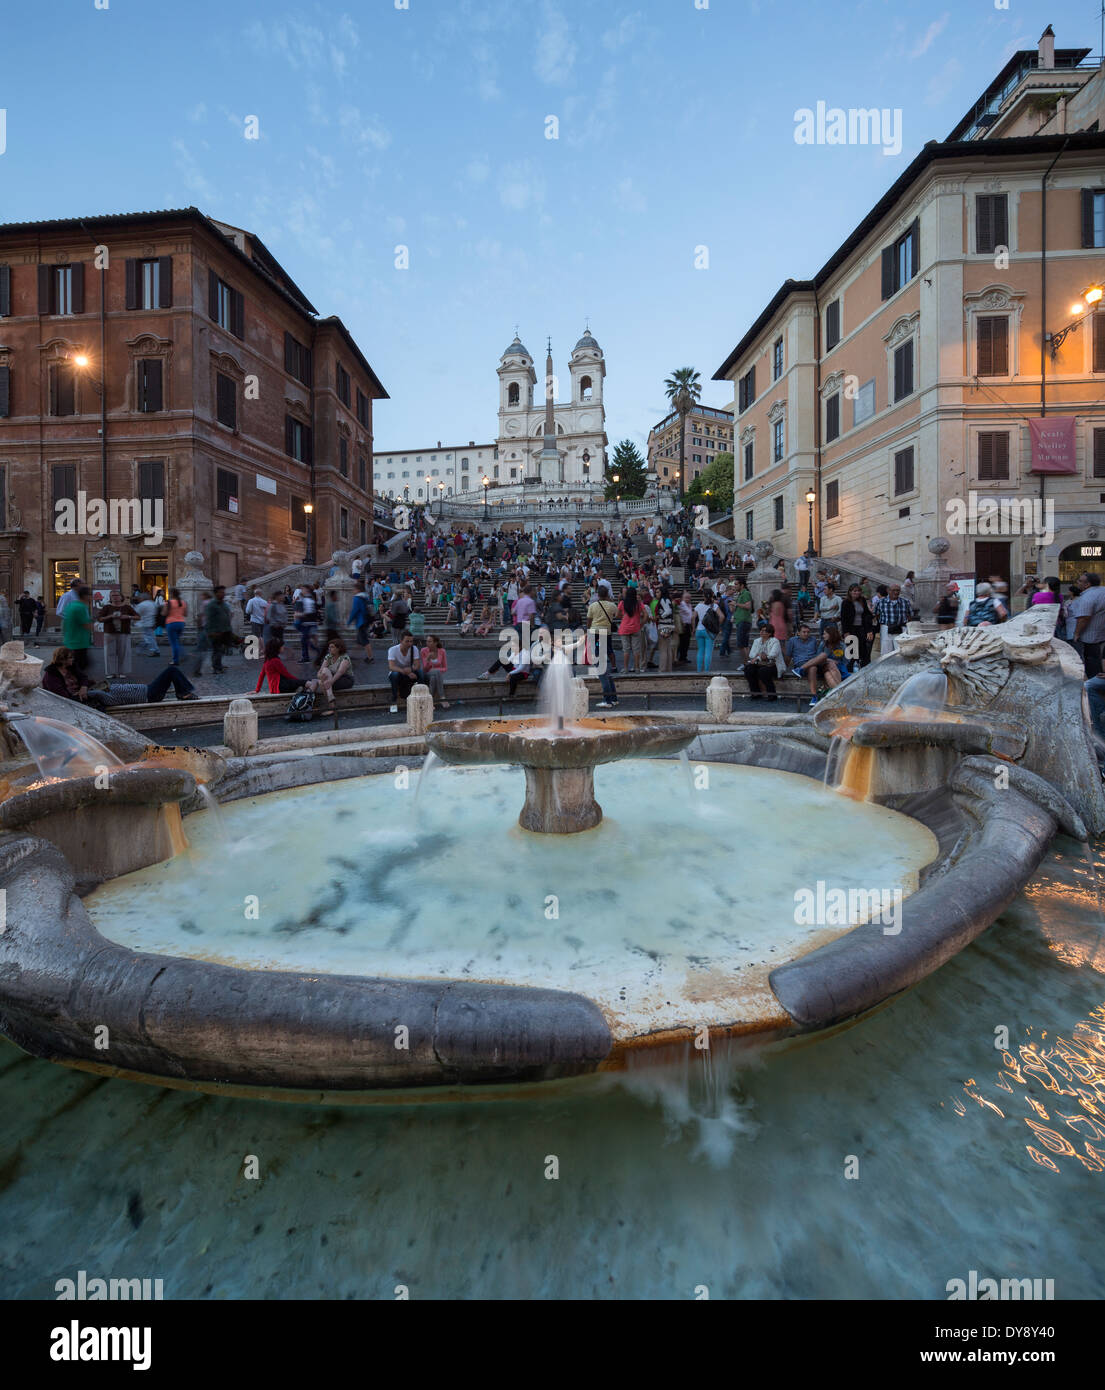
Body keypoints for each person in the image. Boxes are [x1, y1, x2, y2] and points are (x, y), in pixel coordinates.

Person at [586, 581, 620, 707]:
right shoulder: (612, 605)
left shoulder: (593, 606)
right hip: (607, 634)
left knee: (601, 667)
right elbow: (619, 615)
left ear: (597, 594)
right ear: (607, 594)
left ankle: (607, 700)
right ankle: (614, 697)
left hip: (596, 634)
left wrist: (588, 632)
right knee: (605, 666)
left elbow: (588, 621)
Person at [1069, 572, 1105, 678]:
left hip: (1091, 637)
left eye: (1080, 581)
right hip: (1101, 634)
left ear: (1087, 585)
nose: (1077, 582)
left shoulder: (1087, 597)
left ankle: (1095, 683)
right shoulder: (1102, 591)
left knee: (1092, 661)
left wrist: (1076, 633)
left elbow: (1084, 618)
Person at [97, 589, 139, 678]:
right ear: (110, 598)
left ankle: (122, 672)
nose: (115, 597)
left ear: (121, 597)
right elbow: (99, 619)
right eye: (113, 596)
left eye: (117, 595)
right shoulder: (106, 607)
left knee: (124, 653)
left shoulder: (127, 607)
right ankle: (111, 672)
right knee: (109, 653)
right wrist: (110, 616)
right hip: (110, 632)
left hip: (124, 632)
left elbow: (138, 617)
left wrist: (127, 616)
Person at [306, 638, 353, 711]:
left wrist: (331, 682)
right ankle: (331, 703)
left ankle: (331, 707)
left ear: (339, 648)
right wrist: (320, 676)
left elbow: (340, 672)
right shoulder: (328, 657)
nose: (329, 649)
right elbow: (320, 671)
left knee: (321, 683)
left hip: (345, 679)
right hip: (331, 678)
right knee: (324, 673)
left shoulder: (345, 657)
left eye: (332, 647)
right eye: (329, 647)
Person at [745, 621, 786, 700]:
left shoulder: (775, 641)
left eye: (764, 631)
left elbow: (772, 655)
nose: (761, 632)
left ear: (770, 633)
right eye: (761, 630)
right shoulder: (756, 641)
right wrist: (760, 656)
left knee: (763, 671)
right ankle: (755, 693)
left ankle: (772, 694)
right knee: (748, 669)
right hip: (760, 664)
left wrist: (758, 656)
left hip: (774, 665)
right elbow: (751, 655)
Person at [840, 584, 874, 668]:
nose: (857, 593)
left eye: (858, 591)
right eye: (855, 591)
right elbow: (843, 618)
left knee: (863, 649)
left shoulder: (862, 600)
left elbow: (866, 614)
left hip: (861, 628)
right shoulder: (846, 602)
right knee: (852, 650)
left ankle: (862, 666)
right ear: (850, 592)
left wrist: (869, 629)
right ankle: (851, 668)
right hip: (851, 629)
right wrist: (846, 632)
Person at [387, 631, 422, 713]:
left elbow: (417, 665)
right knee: (395, 675)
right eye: (407, 641)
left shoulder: (414, 648)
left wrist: (411, 670)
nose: (409, 643)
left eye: (411, 641)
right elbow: (391, 667)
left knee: (421, 673)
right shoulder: (392, 650)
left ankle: (420, 698)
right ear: (401, 641)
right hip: (398, 672)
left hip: (410, 671)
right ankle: (394, 700)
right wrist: (405, 672)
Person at [61, 585, 93, 672]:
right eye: (90, 595)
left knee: (74, 668)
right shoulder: (81, 607)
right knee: (79, 668)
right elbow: (86, 625)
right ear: (85, 596)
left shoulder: (71, 605)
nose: (92, 597)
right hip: (79, 643)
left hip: (70, 641)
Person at [873, 583, 913, 653]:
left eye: (898, 590)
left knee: (901, 651)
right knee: (886, 652)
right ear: (888, 591)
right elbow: (876, 614)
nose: (896, 592)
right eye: (893, 590)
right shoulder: (880, 602)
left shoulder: (905, 602)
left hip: (901, 628)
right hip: (886, 628)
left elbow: (910, 615)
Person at [203, 586, 233, 673]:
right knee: (217, 649)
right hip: (216, 631)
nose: (223, 594)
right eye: (221, 592)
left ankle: (218, 664)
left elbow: (227, 614)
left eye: (224, 592)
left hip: (225, 630)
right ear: (216, 593)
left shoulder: (224, 604)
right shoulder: (211, 605)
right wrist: (211, 631)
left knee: (221, 649)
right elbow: (208, 618)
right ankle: (216, 667)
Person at [617, 587, 644, 673]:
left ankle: (625, 668)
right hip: (636, 627)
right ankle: (637, 668)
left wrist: (623, 617)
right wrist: (641, 624)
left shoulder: (622, 603)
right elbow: (646, 615)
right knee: (636, 650)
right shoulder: (638, 604)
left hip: (624, 628)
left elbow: (617, 615)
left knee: (626, 649)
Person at [693, 591, 721, 672]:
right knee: (708, 651)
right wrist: (717, 626)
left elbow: (693, 617)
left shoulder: (699, 605)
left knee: (700, 650)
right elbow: (722, 616)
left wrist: (693, 628)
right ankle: (706, 671)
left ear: (703, 596)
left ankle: (698, 671)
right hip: (709, 631)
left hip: (699, 629)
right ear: (712, 596)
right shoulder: (714, 606)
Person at [421, 634, 450, 708]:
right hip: (427, 673)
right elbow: (425, 669)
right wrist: (427, 659)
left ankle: (430, 702)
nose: (427, 643)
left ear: (435, 643)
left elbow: (445, 668)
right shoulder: (424, 650)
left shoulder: (442, 651)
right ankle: (442, 697)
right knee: (436, 672)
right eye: (427, 641)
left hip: (436, 674)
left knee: (433, 678)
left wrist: (435, 670)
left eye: (429, 641)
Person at [163, 589, 188, 665]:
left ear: (171, 594)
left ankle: (175, 660)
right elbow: (185, 614)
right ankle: (182, 655)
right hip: (181, 623)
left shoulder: (169, 603)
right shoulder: (183, 602)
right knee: (177, 641)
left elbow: (164, 613)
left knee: (174, 643)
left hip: (171, 623)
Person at [295, 586, 320, 661]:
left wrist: (300, 615)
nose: (301, 590)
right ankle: (317, 652)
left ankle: (306, 657)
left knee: (304, 640)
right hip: (310, 623)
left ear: (307, 590)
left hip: (307, 623)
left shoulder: (307, 600)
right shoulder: (309, 599)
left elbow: (308, 613)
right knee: (305, 640)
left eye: (303, 589)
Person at [134, 590, 161, 657]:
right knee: (150, 637)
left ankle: (154, 650)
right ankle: (152, 650)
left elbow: (136, 613)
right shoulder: (153, 603)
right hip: (152, 622)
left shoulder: (142, 605)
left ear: (142, 598)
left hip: (145, 623)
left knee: (148, 638)